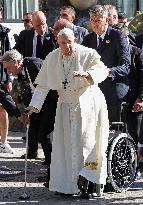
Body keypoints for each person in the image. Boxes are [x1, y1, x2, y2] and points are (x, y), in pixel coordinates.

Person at [27, 28, 109, 198]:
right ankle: (67, 185)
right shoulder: (52, 57)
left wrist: (88, 74)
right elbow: (43, 85)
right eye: (63, 43)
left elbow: (102, 70)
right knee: (64, 145)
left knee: (85, 144)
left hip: (86, 103)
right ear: (58, 42)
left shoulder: (88, 53)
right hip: (64, 104)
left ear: (75, 40)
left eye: (70, 42)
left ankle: (87, 182)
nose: (67, 46)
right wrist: (33, 106)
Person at [14, 11, 58, 172]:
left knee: (44, 119)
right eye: (38, 24)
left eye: (44, 23)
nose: (42, 27)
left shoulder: (52, 36)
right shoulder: (25, 35)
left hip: (47, 83)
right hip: (28, 81)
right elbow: (16, 53)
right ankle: (31, 151)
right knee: (31, 115)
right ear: (32, 24)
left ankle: (49, 157)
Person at [82, 5, 131, 123]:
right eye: (92, 20)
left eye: (98, 20)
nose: (94, 24)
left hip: (114, 88)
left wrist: (107, 71)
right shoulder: (88, 39)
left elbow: (126, 66)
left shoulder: (117, 36)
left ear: (106, 20)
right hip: (94, 90)